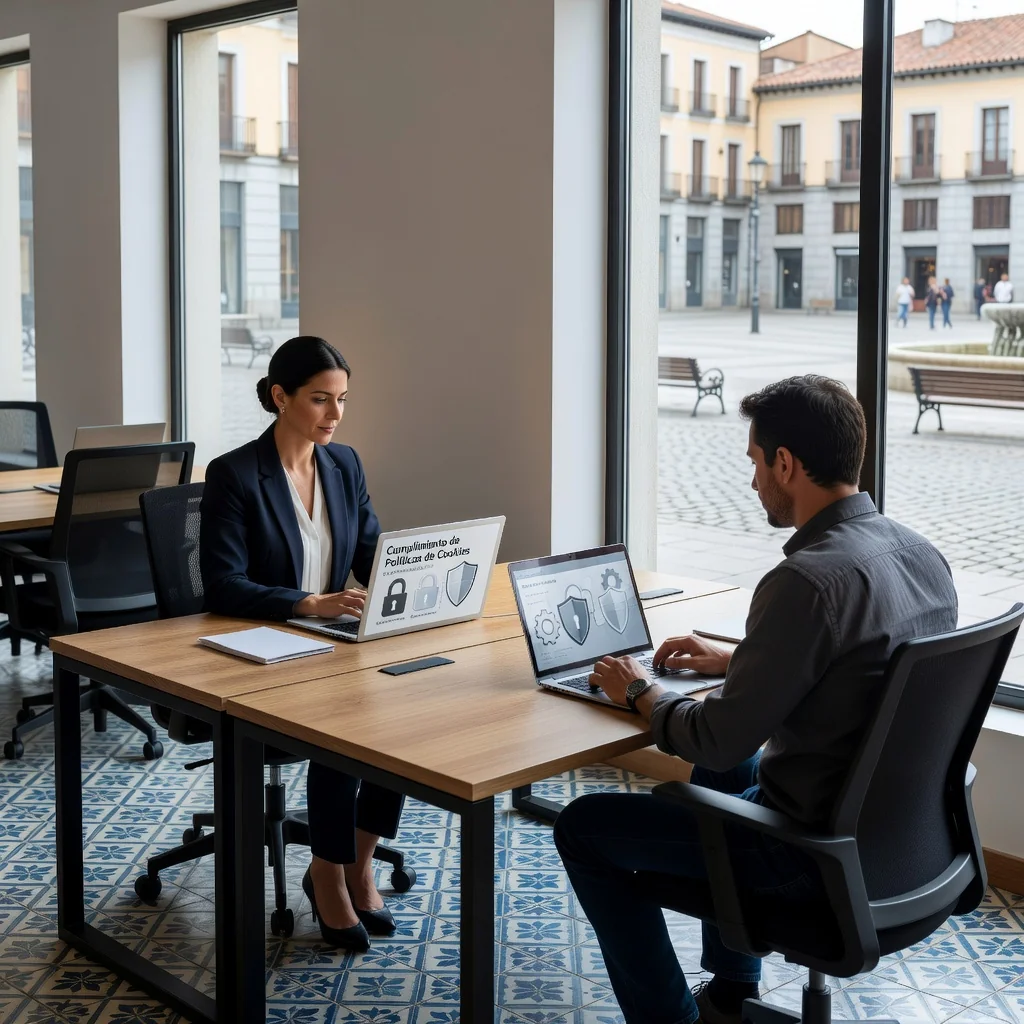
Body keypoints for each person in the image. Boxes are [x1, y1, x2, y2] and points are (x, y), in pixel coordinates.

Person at [553, 375, 958, 1024]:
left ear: (786, 464)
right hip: (903, 846)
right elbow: (863, 670)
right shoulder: (920, 555)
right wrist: (738, 661)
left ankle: (669, 1019)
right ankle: (733, 987)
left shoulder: (806, 579)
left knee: (583, 828)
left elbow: (716, 737)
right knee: (725, 775)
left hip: (804, 858)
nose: (752, 482)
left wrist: (637, 690)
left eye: (754, 463)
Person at [200, 335, 402, 953]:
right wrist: (307, 603)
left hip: (331, 642)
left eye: (342, 400)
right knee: (344, 731)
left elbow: (372, 557)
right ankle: (327, 875)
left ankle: (358, 863)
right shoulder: (235, 474)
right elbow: (224, 584)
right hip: (260, 648)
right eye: (320, 400)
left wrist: (412, 588)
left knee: (400, 721)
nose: (335, 415)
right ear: (279, 396)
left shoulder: (345, 465)